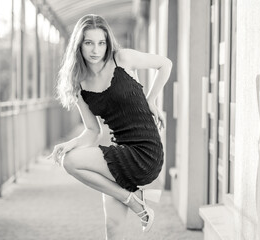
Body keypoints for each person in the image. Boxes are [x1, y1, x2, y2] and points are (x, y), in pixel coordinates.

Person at [48, 14, 172, 239]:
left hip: (146, 153)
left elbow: (165, 64)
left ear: (107, 43)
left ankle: (133, 200)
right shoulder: (80, 86)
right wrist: (71, 142)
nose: (95, 49)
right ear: (79, 45)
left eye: (101, 43)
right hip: (120, 153)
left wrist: (151, 99)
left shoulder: (122, 59)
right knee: (113, 228)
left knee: (71, 161)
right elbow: (92, 131)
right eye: (89, 43)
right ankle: (133, 199)